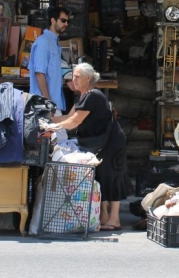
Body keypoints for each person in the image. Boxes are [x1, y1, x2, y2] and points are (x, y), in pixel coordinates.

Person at [51, 63, 129, 231]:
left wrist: (53, 128)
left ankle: (114, 219)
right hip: (100, 142)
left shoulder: (93, 95)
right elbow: (68, 117)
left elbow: (74, 122)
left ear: (88, 78)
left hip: (111, 142)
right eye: (73, 76)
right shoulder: (83, 97)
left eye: (77, 76)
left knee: (111, 177)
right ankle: (103, 216)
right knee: (100, 177)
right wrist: (47, 122)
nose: (74, 80)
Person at [28, 6, 69, 113]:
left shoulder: (55, 43)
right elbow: (39, 73)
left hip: (54, 103)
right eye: (63, 20)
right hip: (45, 105)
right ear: (53, 20)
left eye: (67, 21)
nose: (66, 24)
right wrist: (48, 102)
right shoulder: (43, 42)